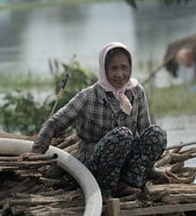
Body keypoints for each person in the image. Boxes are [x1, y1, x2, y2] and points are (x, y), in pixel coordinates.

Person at [22, 41, 176, 197]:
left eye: (124, 67)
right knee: (122, 135)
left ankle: (128, 183)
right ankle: (107, 188)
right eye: (114, 68)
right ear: (104, 69)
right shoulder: (88, 96)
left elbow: (145, 137)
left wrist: (153, 170)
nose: (120, 74)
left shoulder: (136, 92)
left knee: (157, 133)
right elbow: (54, 123)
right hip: (93, 163)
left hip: (124, 165)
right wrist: (37, 152)